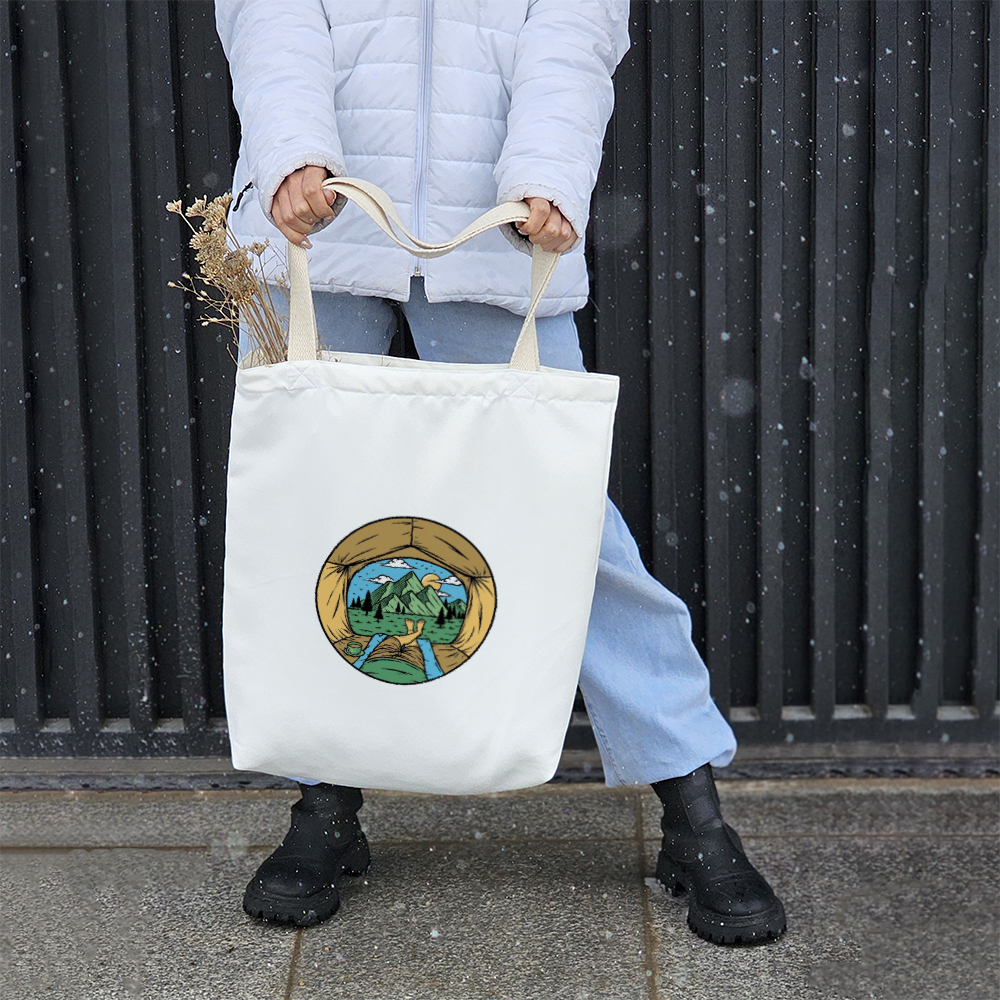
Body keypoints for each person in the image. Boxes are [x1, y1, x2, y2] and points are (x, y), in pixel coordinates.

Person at [215, 0, 786, 946]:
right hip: (315, 229)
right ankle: (323, 802)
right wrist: (292, 153)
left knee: (569, 531)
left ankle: (693, 813)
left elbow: (573, 28)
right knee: (311, 526)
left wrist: (548, 174)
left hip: (496, 233)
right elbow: (272, 15)